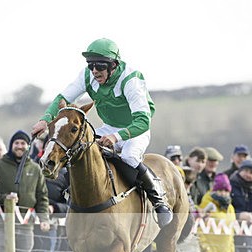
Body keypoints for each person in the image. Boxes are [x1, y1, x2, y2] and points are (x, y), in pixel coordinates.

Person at [30, 38, 172, 228]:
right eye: (91, 65)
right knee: (82, 147)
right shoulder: (87, 76)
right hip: (109, 126)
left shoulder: (131, 80)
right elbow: (63, 97)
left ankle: (159, 201)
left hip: (135, 129)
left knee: (129, 156)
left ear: (114, 65)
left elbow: (143, 121)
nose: (95, 71)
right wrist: (45, 119)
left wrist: (116, 137)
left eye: (100, 66)